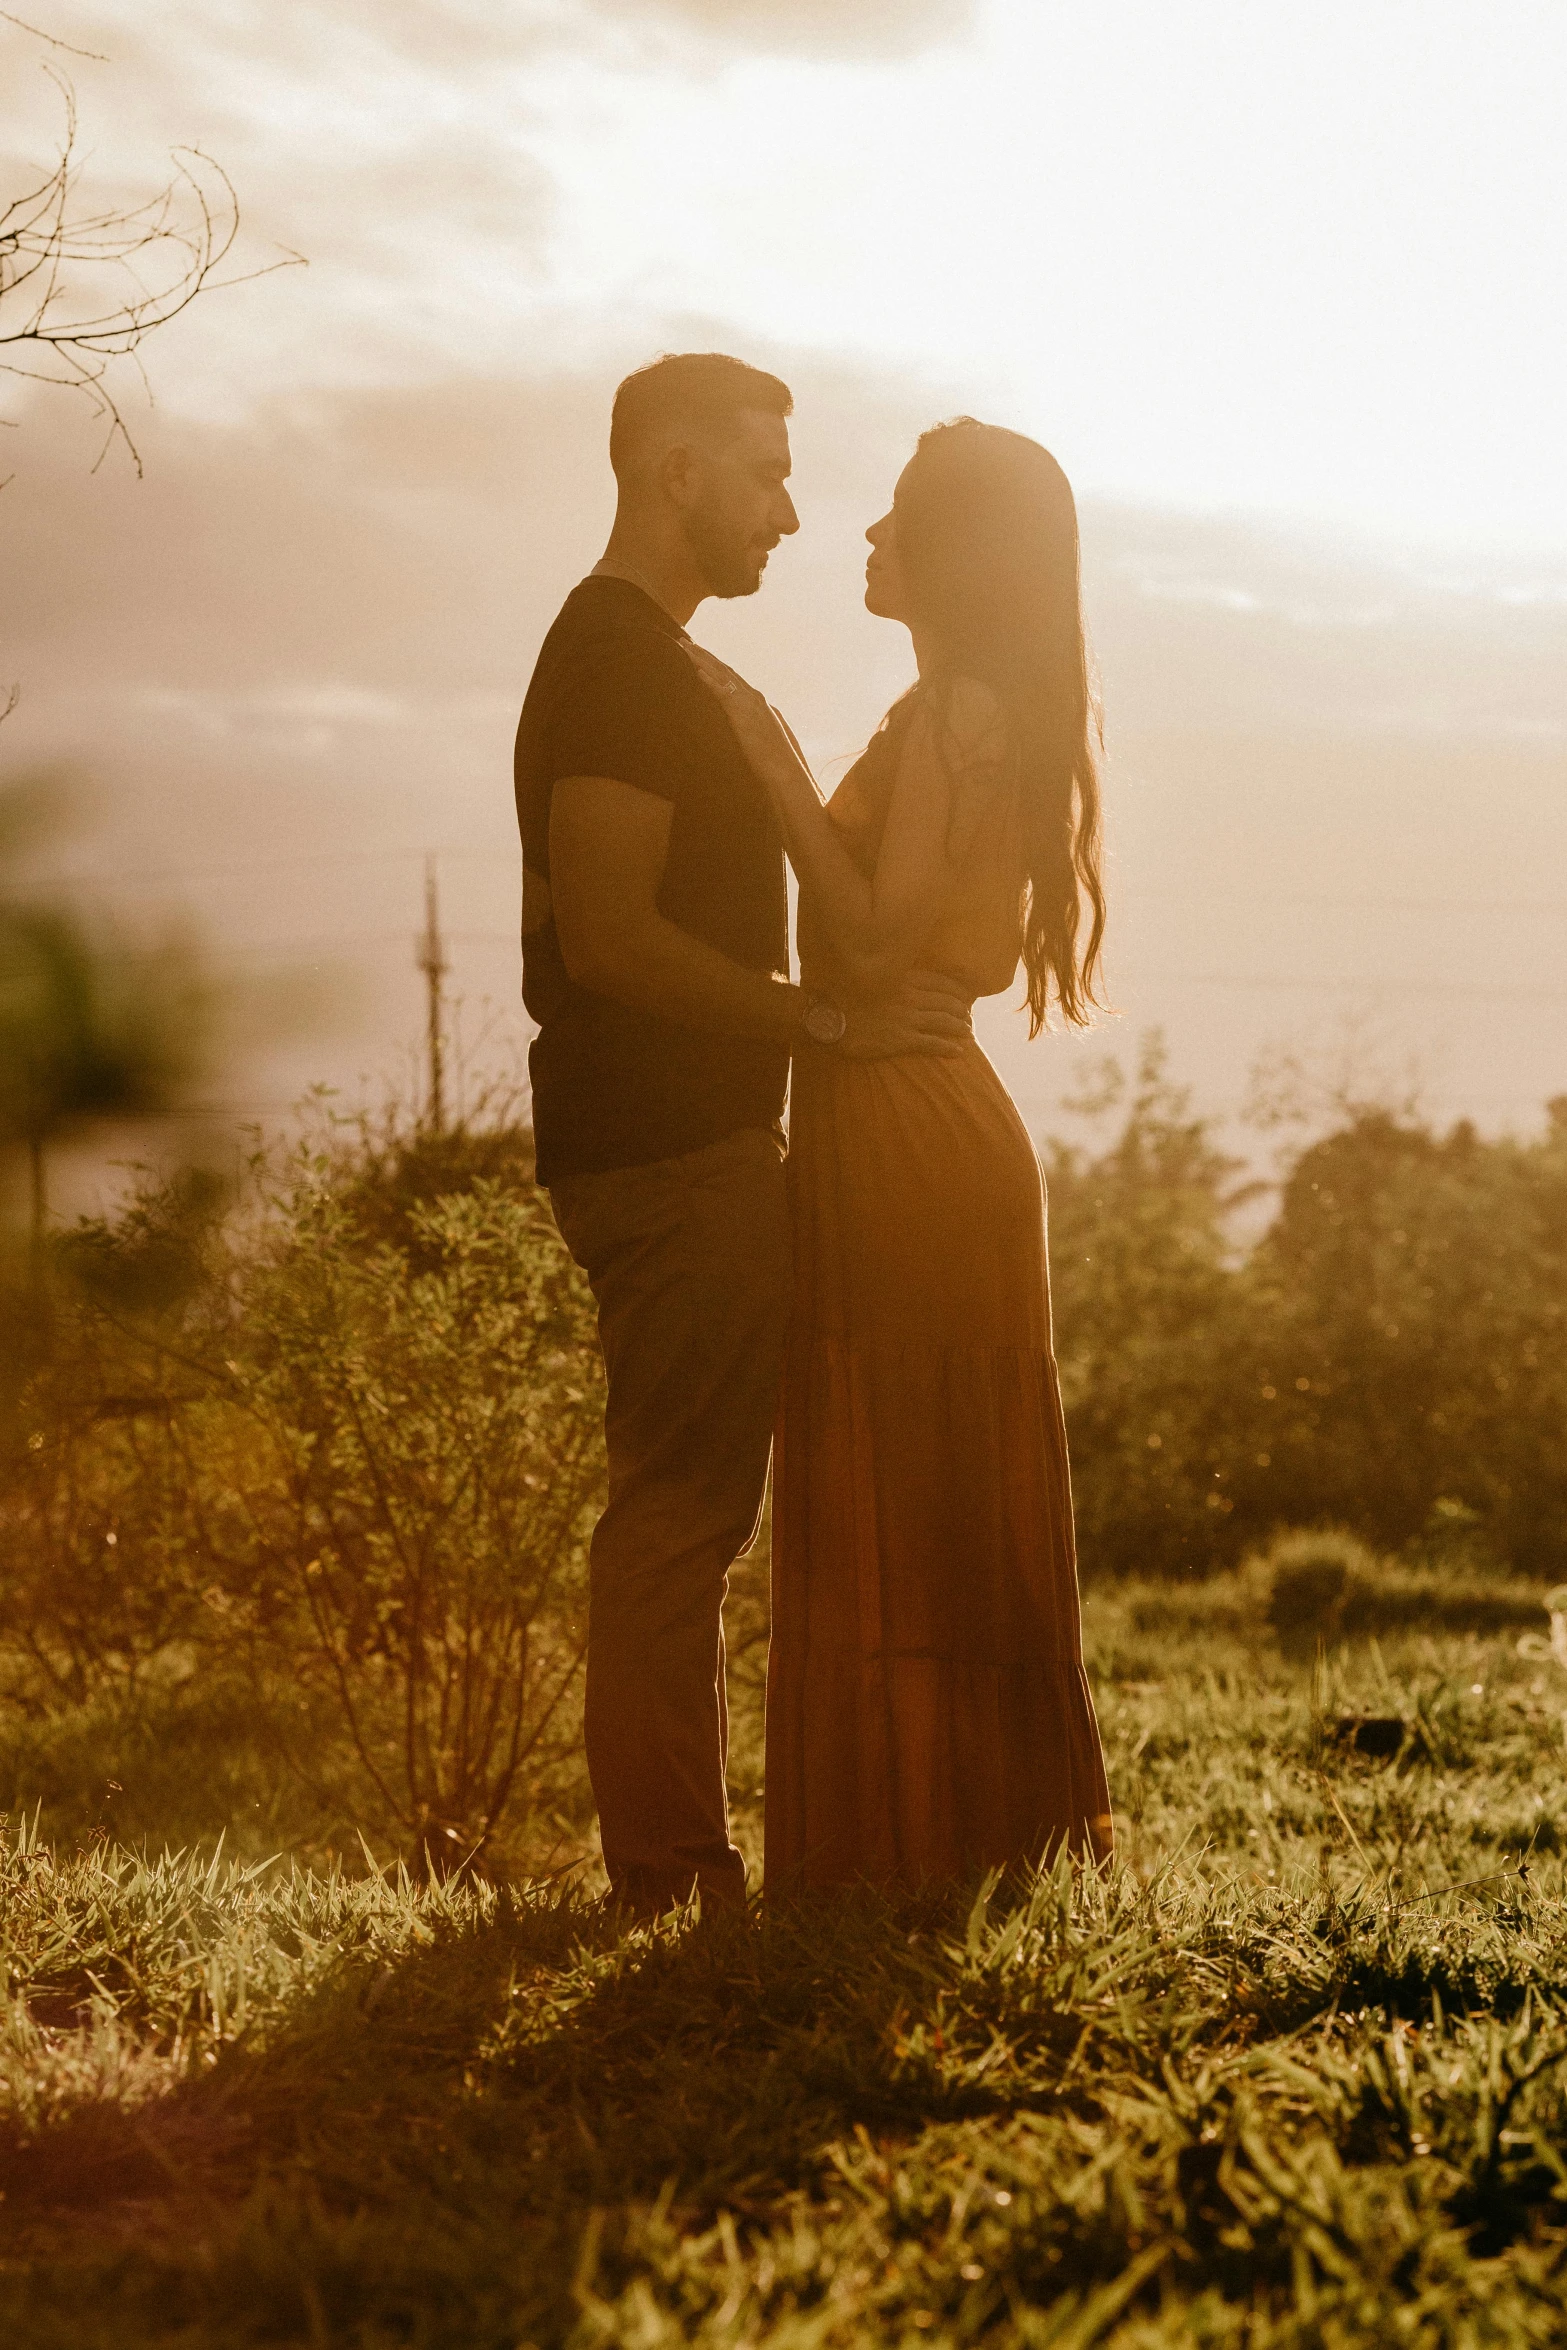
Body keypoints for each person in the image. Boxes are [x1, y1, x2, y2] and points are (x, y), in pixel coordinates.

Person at [513, 353, 972, 1917]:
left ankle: (679, 1862)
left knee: (690, 1500)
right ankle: (672, 1875)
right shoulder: (622, 661)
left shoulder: (644, 662)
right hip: (669, 1149)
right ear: (674, 472)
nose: (789, 509)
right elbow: (606, 940)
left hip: (676, 1141)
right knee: (681, 1508)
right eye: (766, 473)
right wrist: (824, 1023)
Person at [687, 417, 1115, 1890]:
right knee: (911, 1480)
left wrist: (769, 764)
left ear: (954, 553)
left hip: (912, 1125)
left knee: (910, 1478)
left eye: (895, 518)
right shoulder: (950, 705)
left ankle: (923, 1849)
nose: (864, 539)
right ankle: (934, 1845)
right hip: (891, 1111)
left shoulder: (960, 713)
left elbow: (872, 938)